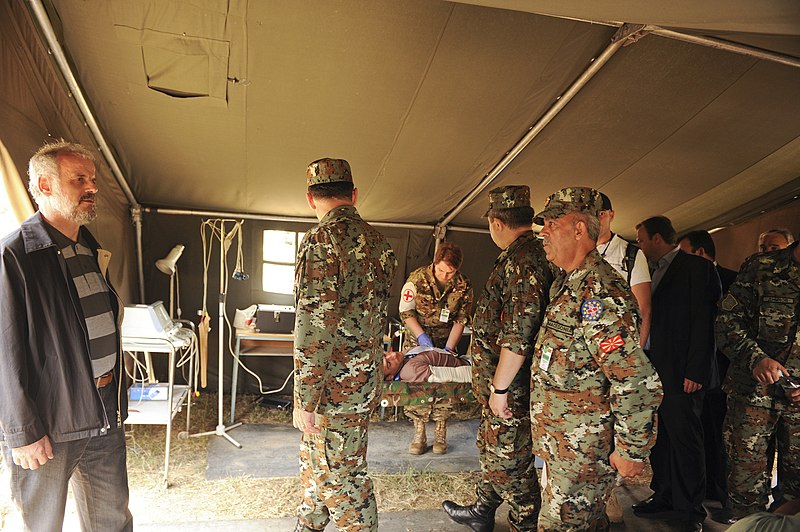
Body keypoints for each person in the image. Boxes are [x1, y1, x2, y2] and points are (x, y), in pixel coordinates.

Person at [0, 140, 132, 531]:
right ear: (44, 185)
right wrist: (22, 432)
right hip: (51, 419)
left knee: (111, 519)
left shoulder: (89, 248)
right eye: (78, 179)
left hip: (104, 407)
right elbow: (4, 353)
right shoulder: (14, 257)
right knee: (43, 524)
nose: (91, 187)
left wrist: (116, 391)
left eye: (92, 179)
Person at [530, 187, 662, 531]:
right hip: (565, 447)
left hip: (584, 452)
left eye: (552, 223)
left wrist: (632, 450)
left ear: (578, 229)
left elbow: (634, 378)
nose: (543, 231)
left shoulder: (599, 292)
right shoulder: (568, 283)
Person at [292, 158, 396, 532]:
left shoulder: (321, 241)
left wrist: (305, 398)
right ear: (353, 194)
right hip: (362, 382)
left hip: (331, 391)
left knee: (343, 477)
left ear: (310, 199)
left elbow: (314, 329)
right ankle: (309, 525)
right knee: (316, 463)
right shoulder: (381, 244)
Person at [443, 185, 554, 532]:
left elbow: (519, 335)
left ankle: (524, 525)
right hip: (503, 384)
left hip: (513, 390)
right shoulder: (521, 256)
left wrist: (501, 389)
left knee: (512, 465)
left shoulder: (524, 262)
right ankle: (483, 509)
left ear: (495, 222)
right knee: (494, 452)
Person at [633, 216, 721, 531]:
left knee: (686, 441)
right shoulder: (650, 271)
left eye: (642, 239)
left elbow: (703, 322)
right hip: (656, 367)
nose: (639, 246)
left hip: (684, 371)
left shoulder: (697, 268)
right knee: (662, 439)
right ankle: (665, 495)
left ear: (658, 238)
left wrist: (696, 370)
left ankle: (690, 510)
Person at [715, 237, 800, 523]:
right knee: (744, 488)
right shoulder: (761, 267)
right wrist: (756, 359)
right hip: (751, 396)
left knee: (798, 494)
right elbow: (727, 321)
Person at [595, 192, 653, 523]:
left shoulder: (630, 254)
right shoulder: (576, 252)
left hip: (618, 355)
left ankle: (609, 492)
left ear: (610, 215)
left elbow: (644, 308)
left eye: (599, 214)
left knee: (614, 424)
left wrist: (636, 359)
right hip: (582, 360)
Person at [678, 229, 738, 509]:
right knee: (700, 432)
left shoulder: (732, 280)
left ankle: (722, 492)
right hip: (696, 371)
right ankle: (701, 490)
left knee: (720, 434)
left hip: (724, 371)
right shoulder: (686, 278)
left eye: (686, 253)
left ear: (700, 253)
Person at [399, 242, 473, 454]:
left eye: (451, 272)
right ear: (434, 263)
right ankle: (419, 433)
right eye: (441, 270)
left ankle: (440, 432)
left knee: (446, 385)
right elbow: (406, 312)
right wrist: (421, 336)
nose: (446, 276)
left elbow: (462, 318)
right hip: (418, 342)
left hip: (446, 341)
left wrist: (449, 348)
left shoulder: (463, 284)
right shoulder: (417, 279)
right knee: (417, 386)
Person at [382, 349, 470, 383]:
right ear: (390, 377)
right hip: (471, 366)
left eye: (385, 354)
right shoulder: (412, 371)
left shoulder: (403, 360)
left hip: (464, 358)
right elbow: (456, 375)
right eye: (389, 363)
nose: (393, 355)